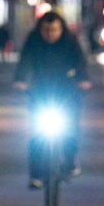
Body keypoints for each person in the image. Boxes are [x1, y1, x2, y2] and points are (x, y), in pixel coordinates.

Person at [13, 12, 91, 188]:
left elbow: (81, 63)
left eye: (54, 30)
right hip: (39, 92)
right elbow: (24, 61)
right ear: (40, 30)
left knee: (71, 127)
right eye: (46, 30)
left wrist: (84, 81)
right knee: (36, 133)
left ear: (61, 29)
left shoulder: (70, 42)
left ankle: (70, 161)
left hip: (67, 92)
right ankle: (36, 175)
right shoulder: (33, 41)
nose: (50, 34)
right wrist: (20, 80)